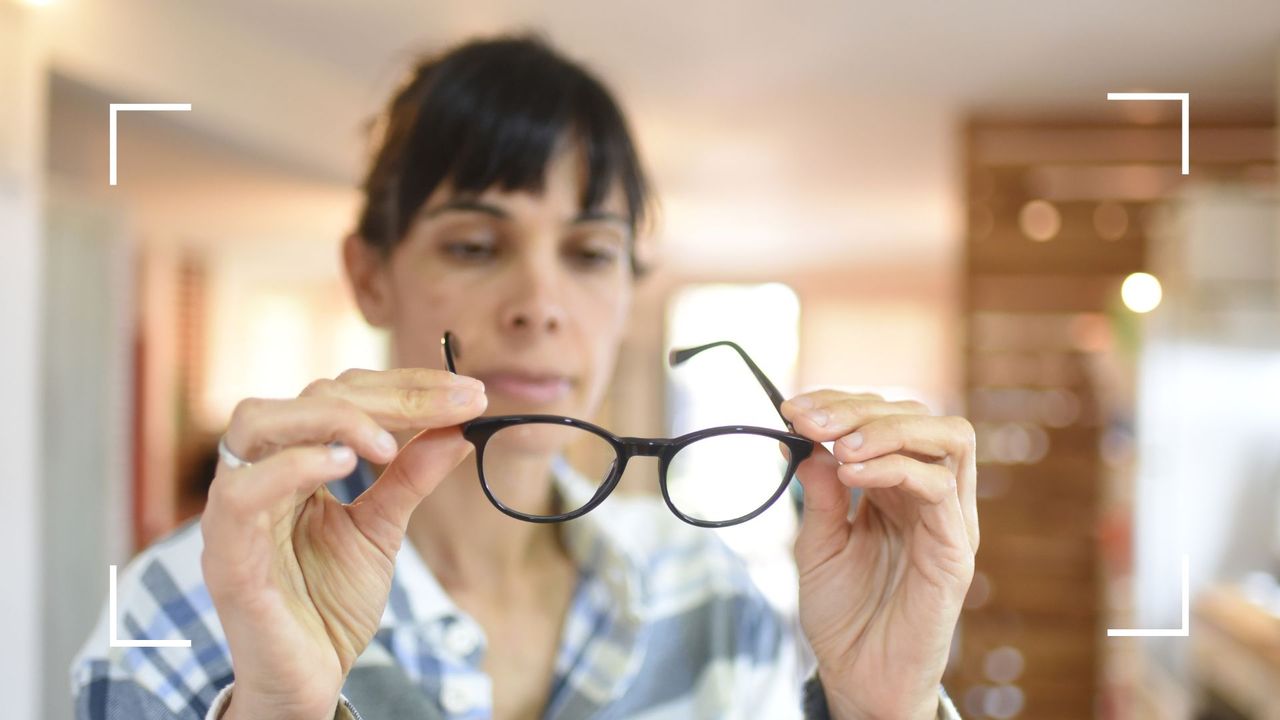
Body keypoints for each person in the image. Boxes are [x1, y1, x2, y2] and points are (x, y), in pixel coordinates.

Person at [72, 35, 975, 720]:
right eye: (474, 244)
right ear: (369, 273)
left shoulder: (709, 596)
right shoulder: (184, 609)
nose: (541, 302)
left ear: (628, 292)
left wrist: (883, 707)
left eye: (589, 252)